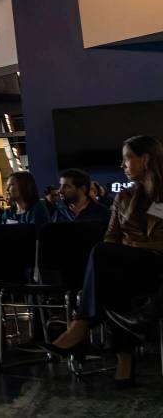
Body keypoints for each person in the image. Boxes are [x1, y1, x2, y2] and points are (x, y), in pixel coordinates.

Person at [45, 136, 163, 386]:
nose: (123, 165)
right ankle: (123, 362)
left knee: (104, 259)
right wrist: (127, 249)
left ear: (145, 158)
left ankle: (81, 327)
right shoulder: (124, 198)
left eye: (127, 158)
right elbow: (111, 237)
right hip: (128, 267)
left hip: (157, 267)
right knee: (110, 277)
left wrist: (136, 246)